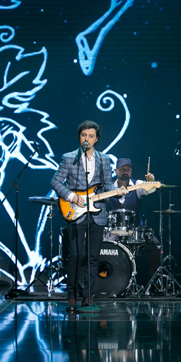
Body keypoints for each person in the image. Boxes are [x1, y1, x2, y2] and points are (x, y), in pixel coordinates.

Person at [51, 120, 119, 312]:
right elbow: (55, 182)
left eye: (91, 136)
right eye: (83, 135)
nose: (86, 139)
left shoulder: (103, 159)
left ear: (96, 139)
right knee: (75, 255)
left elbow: (108, 185)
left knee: (92, 257)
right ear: (79, 137)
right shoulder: (69, 158)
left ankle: (88, 297)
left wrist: (118, 191)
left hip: (97, 213)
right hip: (75, 211)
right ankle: (71, 296)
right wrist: (71, 196)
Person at [105, 158, 162, 283]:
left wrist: (151, 182)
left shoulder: (138, 184)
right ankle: (111, 284)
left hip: (136, 230)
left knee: (156, 245)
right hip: (114, 232)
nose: (125, 172)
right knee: (105, 247)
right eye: (122, 169)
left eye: (128, 169)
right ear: (116, 171)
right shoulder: (109, 188)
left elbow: (151, 189)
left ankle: (154, 284)